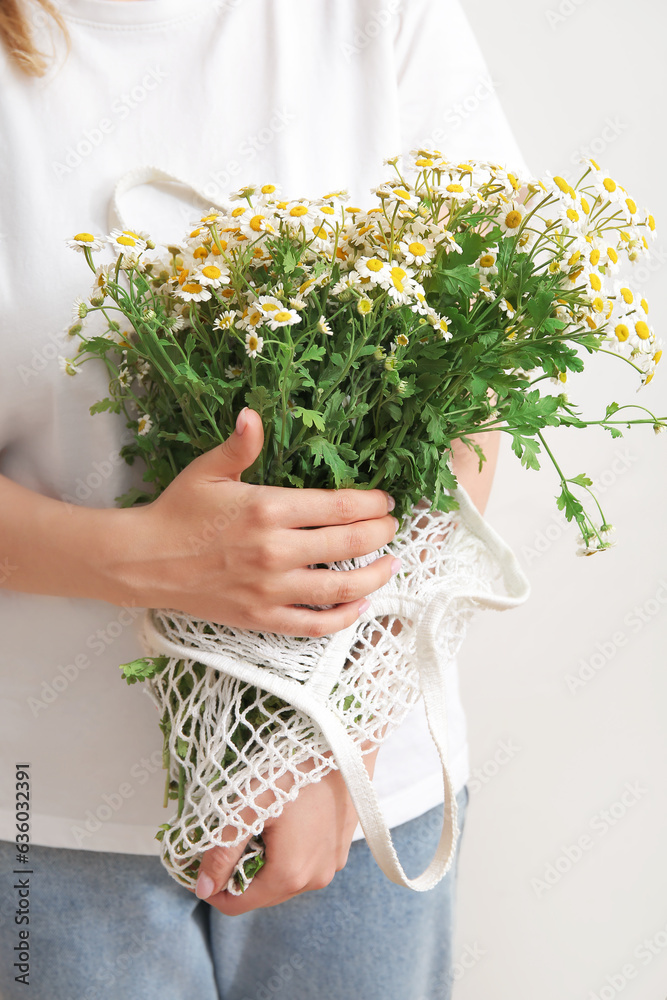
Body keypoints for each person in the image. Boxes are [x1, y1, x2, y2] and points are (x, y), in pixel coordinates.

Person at [0, 1, 527, 997]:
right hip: (43, 812)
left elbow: (475, 383)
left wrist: (332, 729)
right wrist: (144, 558)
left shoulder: (378, 16)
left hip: (360, 790)